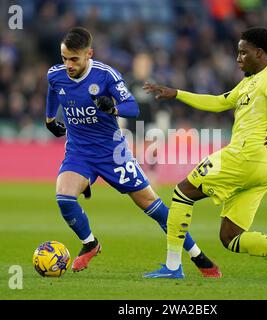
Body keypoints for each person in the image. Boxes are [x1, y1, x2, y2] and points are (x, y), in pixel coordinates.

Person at [143, 27, 267, 281]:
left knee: (183, 192)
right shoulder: (249, 82)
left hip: (243, 156)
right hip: (262, 168)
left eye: (243, 53)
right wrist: (178, 94)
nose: (238, 59)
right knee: (230, 237)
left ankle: (173, 266)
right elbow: (218, 102)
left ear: (259, 53)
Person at [45, 27, 221, 277]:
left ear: (88, 54)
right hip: (79, 153)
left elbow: (132, 108)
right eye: (64, 58)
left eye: (74, 59)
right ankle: (91, 244)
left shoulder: (106, 75)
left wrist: (113, 108)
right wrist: (50, 118)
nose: (68, 64)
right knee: (64, 197)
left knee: (154, 206)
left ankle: (198, 257)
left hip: (113, 154)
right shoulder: (56, 75)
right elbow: (53, 90)